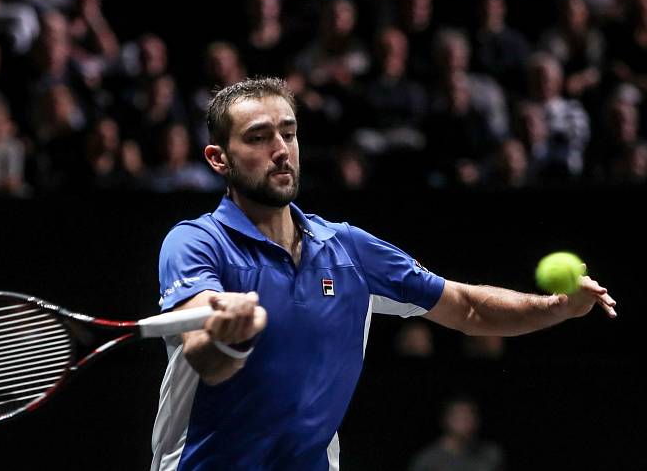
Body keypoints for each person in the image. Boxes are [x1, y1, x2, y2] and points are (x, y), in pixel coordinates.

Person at [151, 77, 616, 470]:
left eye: (288, 134)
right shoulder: (196, 243)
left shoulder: (348, 248)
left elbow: (469, 309)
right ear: (219, 158)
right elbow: (206, 359)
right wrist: (230, 337)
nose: (280, 150)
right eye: (257, 137)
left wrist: (557, 308)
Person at [408, 395, 505, 471]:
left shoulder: (492, 454)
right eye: (460, 417)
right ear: (446, 420)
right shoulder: (428, 461)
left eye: (471, 415)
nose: (467, 422)